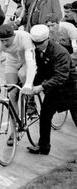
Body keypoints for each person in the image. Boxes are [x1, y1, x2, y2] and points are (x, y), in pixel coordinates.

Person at [26, 24, 77, 155]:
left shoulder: (60, 53)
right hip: (54, 89)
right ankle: (44, 147)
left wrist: (41, 87)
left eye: (39, 43)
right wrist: (30, 84)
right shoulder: (38, 50)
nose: (36, 46)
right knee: (45, 115)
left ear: (47, 39)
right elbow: (42, 71)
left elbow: (61, 76)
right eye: (34, 43)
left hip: (71, 89)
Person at [0, 25, 37, 120]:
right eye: (2, 40)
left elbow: (30, 62)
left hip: (26, 61)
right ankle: (15, 128)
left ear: (13, 36)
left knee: (23, 74)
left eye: (7, 40)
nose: (4, 43)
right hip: (11, 62)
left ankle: (30, 101)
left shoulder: (23, 37)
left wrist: (28, 84)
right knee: (12, 94)